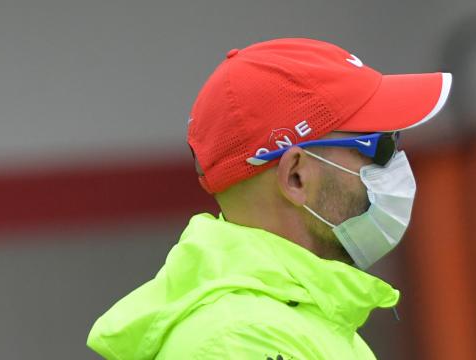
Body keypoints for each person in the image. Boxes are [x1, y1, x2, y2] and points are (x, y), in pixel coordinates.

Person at [87, 37, 452, 359]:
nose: (399, 165)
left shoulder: (306, 320)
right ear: (296, 176)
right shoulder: (238, 341)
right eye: (383, 145)